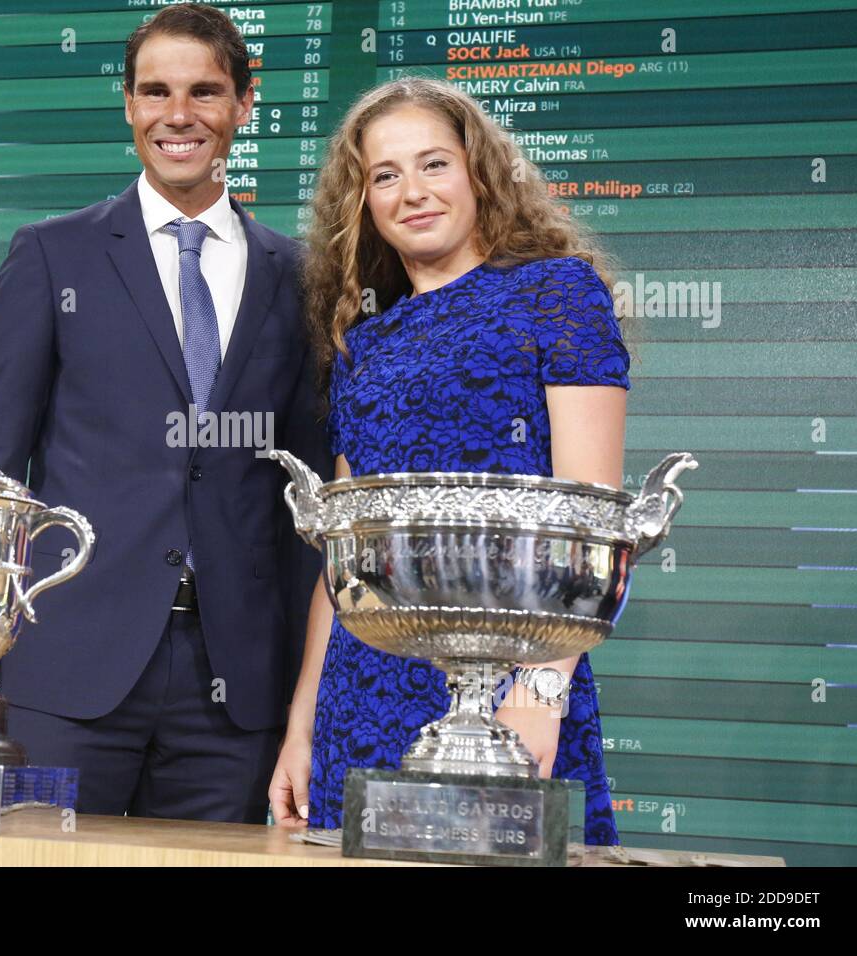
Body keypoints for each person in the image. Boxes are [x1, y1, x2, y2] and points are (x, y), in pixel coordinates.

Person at [0, 3, 331, 823]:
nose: (178, 115)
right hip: (61, 674)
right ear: (128, 104)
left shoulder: (302, 278)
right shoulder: (52, 254)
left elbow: (307, 507)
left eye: (204, 92)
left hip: (237, 692)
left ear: (245, 103)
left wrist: (298, 691)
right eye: (155, 91)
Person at [268, 78, 627, 844]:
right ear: (361, 203)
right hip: (360, 695)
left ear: (480, 174)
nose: (412, 192)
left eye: (434, 164)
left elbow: (592, 521)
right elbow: (345, 561)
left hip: (513, 682)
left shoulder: (558, 294)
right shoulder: (361, 343)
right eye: (385, 176)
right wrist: (301, 724)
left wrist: (538, 691)